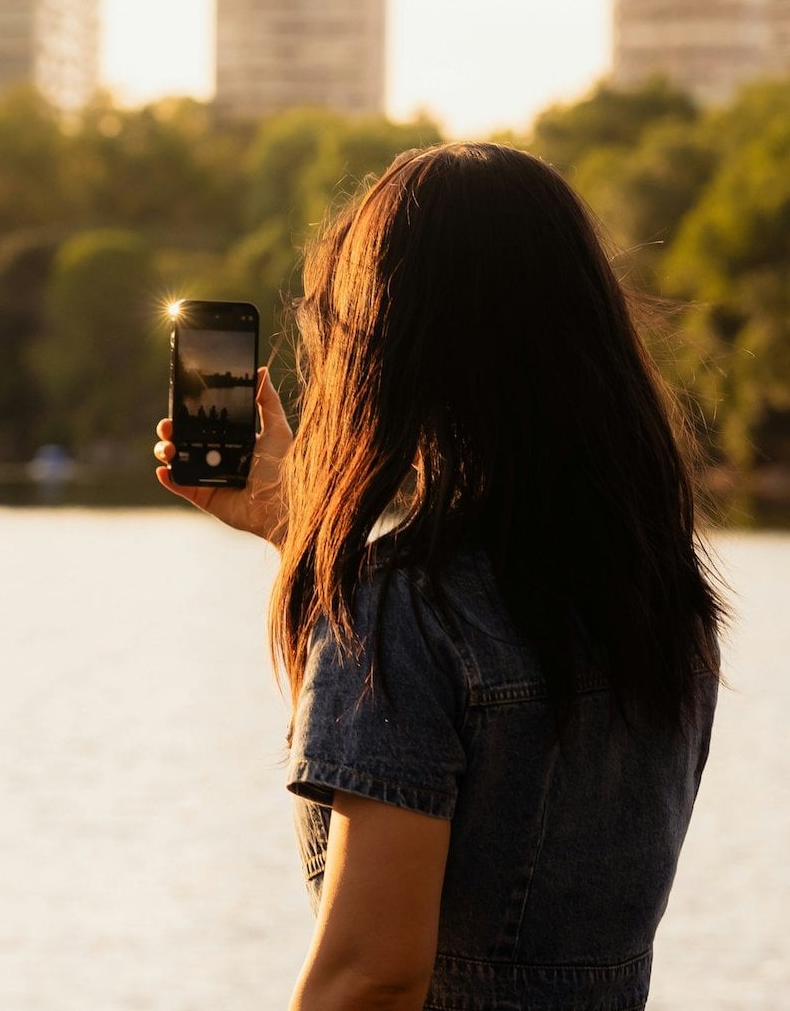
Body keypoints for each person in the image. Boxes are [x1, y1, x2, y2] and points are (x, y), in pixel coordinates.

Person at [153, 142, 725, 1011]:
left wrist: (347, 590)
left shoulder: (405, 612)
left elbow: (371, 978)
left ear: (392, 352)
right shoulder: (661, 598)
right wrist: (297, 535)